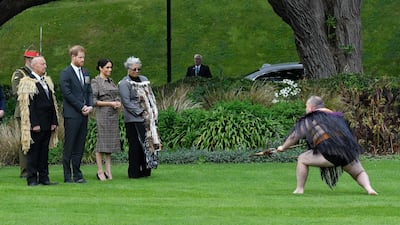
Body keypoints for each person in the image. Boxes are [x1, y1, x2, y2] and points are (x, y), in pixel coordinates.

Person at [276, 96, 377, 195]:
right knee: (359, 172)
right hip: (347, 152)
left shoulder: (311, 118)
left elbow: (295, 135)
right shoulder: (337, 117)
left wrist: (283, 147)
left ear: (311, 107)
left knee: (302, 159)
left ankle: (299, 189)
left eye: (306, 106)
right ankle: (369, 188)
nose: (306, 109)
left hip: (329, 153)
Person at [17, 56, 59, 186]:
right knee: (34, 152)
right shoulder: (28, 81)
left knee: (44, 152)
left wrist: (54, 121)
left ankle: (44, 178)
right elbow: (28, 105)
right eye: (43, 64)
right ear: (34, 66)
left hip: (47, 123)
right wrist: (34, 123)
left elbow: (52, 103)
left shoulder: (46, 81)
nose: (45, 66)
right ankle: (32, 179)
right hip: (36, 124)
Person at [118, 56, 161, 179]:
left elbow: (149, 96)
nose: (137, 71)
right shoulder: (124, 83)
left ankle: (146, 170)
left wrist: (151, 111)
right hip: (133, 119)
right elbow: (126, 102)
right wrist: (141, 112)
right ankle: (134, 172)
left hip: (147, 120)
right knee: (135, 146)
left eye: (138, 69)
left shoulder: (144, 80)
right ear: (128, 69)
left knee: (148, 144)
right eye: (134, 69)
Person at [60, 45, 93, 183]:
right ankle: (67, 175)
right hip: (72, 114)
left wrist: (90, 105)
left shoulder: (85, 72)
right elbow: (67, 93)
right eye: (80, 57)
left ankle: (78, 174)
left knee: (80, 144)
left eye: (83, 57)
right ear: (73, 57)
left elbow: (89, 91)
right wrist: (81, 106)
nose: (82, 60)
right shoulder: (66, 73)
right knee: (70, 144)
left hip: (84, 114)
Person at [91, 59, 121, 181]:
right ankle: (100, 171)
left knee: (110, 144)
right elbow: (93, 101)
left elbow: (116, 94)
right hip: (103, 114)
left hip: (113, 115)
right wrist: (110, 103)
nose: (109, 70)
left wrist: (117, 102)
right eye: (107, 67)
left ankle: (108, 170)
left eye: (110, 67)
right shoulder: (95, 82)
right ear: (100, 68)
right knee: (102, 143)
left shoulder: (111, 81)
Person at [11, 48, 39, 178]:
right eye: (33, 59)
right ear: (28, 60)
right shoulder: (20, 73)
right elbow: (17, 91)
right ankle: (25, 171)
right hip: (23, 112)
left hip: (37, 111)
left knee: (36, 141)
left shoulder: (38, 73)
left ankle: (35, 168)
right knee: (25, 141)